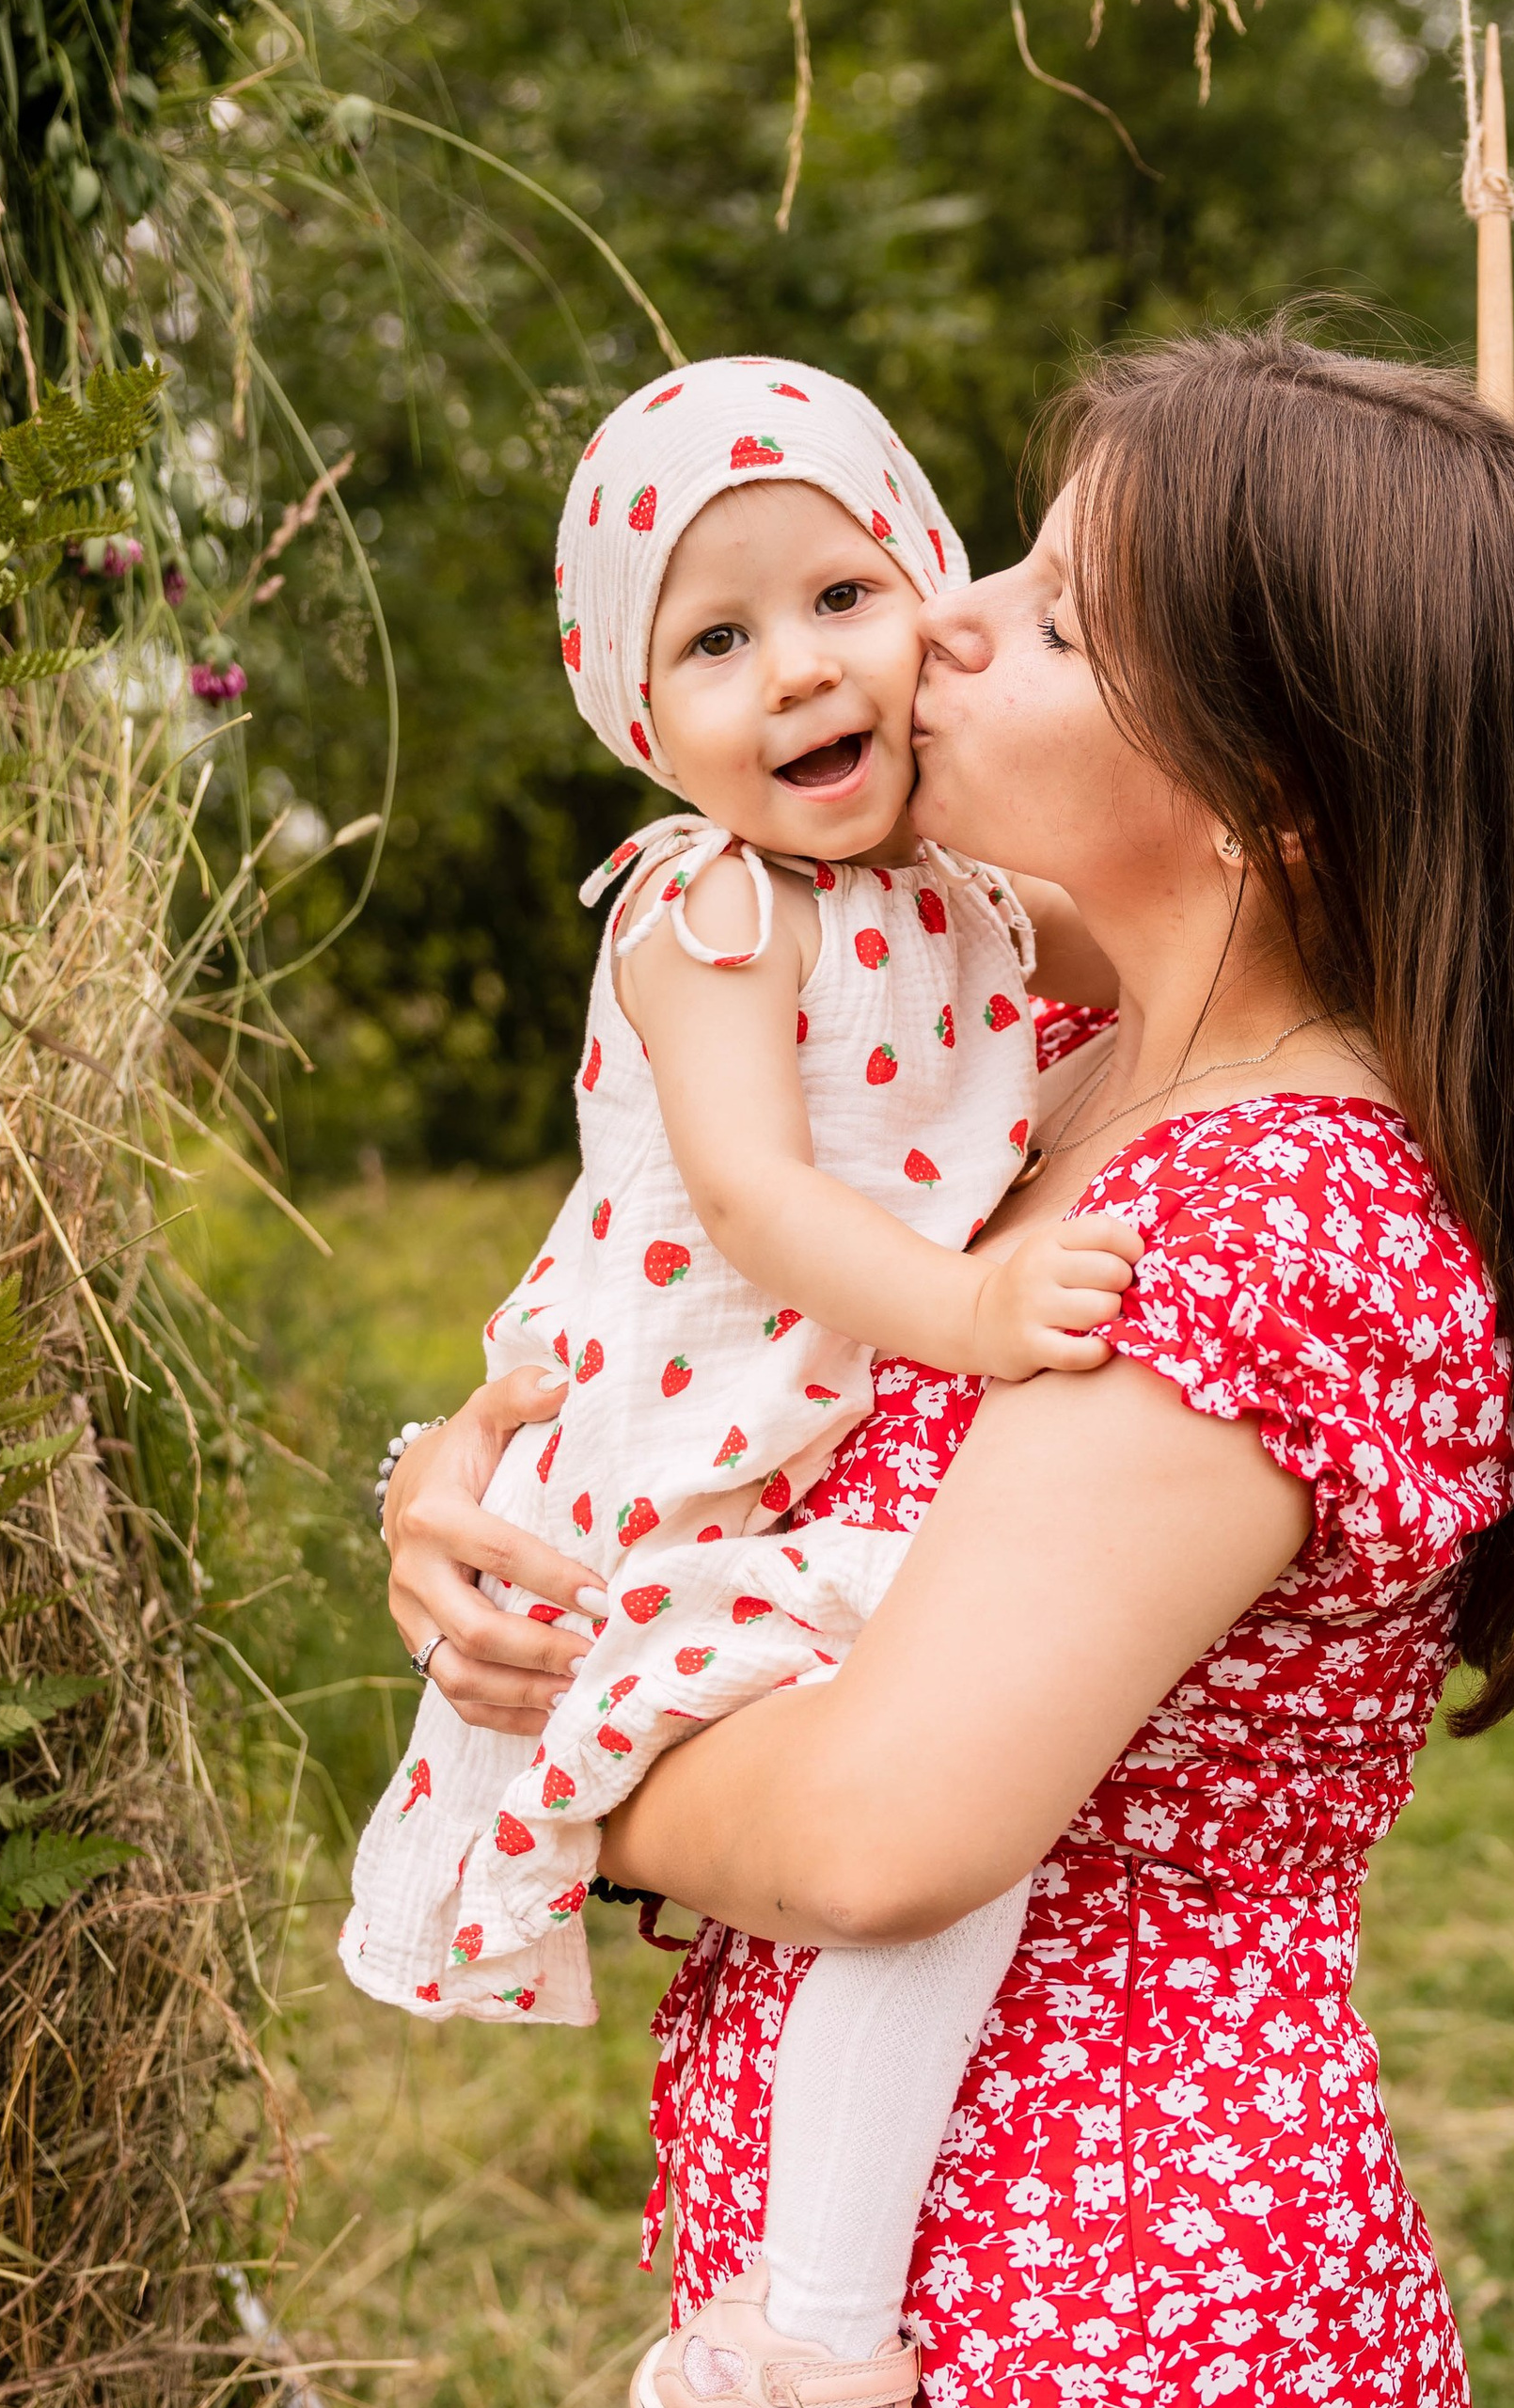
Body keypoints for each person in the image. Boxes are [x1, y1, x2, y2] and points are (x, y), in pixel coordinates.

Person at [379, 323, 1514, 2408]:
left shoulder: (1266, 1235)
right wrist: (468, 1502)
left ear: (1267, 795)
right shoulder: (1040, 1068)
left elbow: (879, 1829)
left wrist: (539, 1754)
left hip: (1094, 2300)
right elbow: (709, 1328)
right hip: (910, 2254)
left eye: (1048, 616)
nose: (935, 622)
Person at [342, 356, 1142, 2403]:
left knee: (934, 1794)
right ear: (636, 710)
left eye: (840, 599)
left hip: (811, 1444)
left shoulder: (964, 891)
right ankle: (806, 2328)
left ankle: (798, 2308)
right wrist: (970, 1318)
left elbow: (1184, 929)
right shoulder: (701, 909)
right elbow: (760, 1197)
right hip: (689, 1438)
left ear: (925, 598)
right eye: (714, 639)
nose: (793, 674)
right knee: (925, 1788)